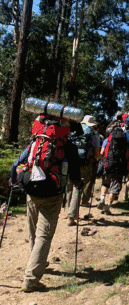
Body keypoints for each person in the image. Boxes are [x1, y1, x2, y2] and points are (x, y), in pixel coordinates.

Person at [10, 114, 81, 292]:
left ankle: (37, 263)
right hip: (53, 193)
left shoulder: (37, 140)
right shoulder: (68, 145)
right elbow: (74, 172)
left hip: (31, 191)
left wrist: (14, 180)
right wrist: (78, 184)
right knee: (44, 236)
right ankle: (31, 279)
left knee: (33, 230)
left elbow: (18, 162)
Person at [66, 115, 102, 226]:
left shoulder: (73, 131)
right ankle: (71, 217)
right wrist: (97, 159)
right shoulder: (93, 135)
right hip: (85, 164)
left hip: (70, 162)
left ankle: (69, 210)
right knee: (78, 188)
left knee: (69, 187)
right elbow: (97, 154)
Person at [98, 116, 129, 214]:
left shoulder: (107, 140)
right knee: (114, 187)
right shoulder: (125, 141)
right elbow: (127, 155)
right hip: (119, 166)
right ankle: (108, 208)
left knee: (105, 183)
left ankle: (102, 198)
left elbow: (101, 153)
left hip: (108, 164)